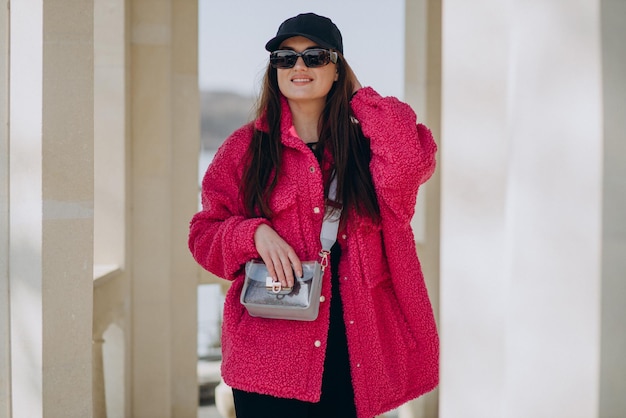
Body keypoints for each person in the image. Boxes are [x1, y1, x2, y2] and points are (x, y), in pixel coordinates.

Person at [189, 12, 439, 418]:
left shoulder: (366, 151)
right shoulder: (243, 150)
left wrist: (359, 98)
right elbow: (204, 236)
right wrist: (252, 234)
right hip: (266, 361)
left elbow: (411, 160)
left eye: (315, 57)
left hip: (350, 353)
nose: (299, 66)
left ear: (338, 68)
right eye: (285, 58)